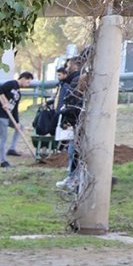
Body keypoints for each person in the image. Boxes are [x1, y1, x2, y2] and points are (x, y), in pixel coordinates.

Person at [0, 71, 32, 167]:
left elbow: (15, 109)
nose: (28, 84)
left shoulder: (18, 93)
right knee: (3, 137)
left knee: (20, 127)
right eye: (28, 82)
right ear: (23, 78)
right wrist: (5, 102)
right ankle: (3, 161)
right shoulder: (12, 83)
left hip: (8, 116)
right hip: (0, 115)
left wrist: (16, 122)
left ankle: (12, 149)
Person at [55, 59, 85, 188]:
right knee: (73, 150)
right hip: (74, 120)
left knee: (75, 151)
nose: (66, 68)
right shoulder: (70, 81)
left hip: (78, 120)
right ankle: (73, 177)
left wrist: (66, 111)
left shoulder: (78, 80)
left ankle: (75, 178)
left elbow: (76, 103)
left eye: (68, 65)